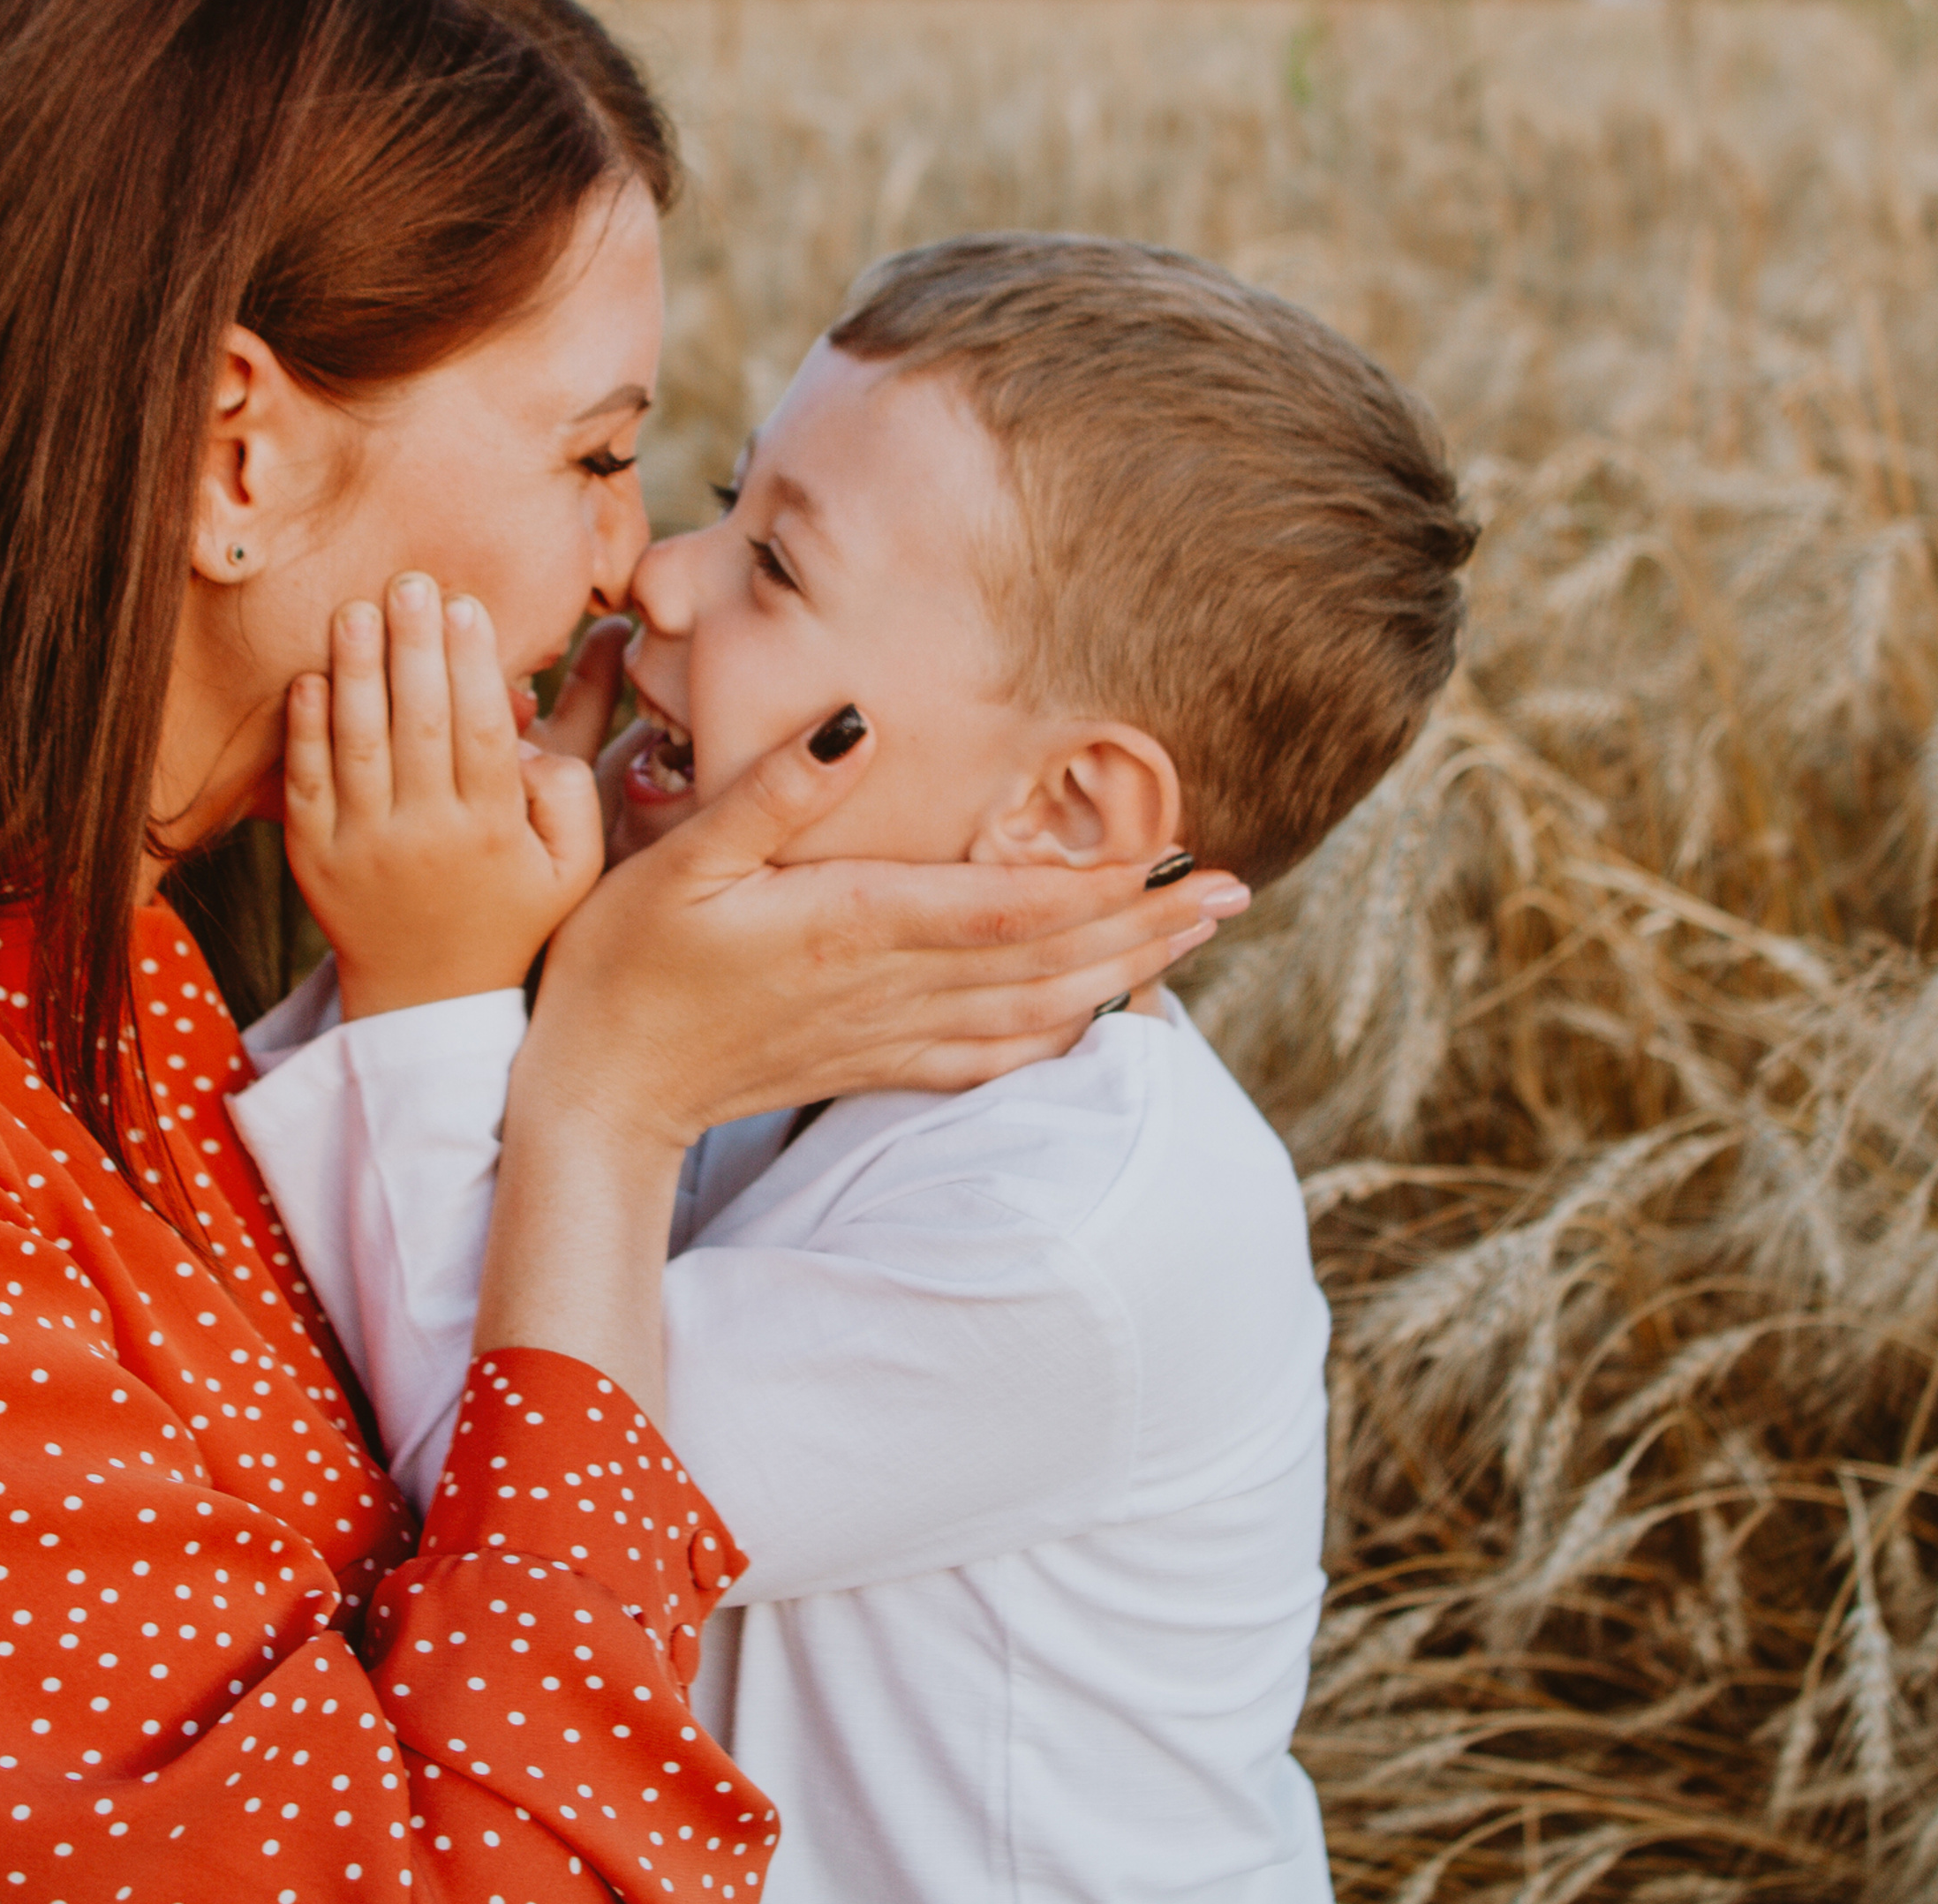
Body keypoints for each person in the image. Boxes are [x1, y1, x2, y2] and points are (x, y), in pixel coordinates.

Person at [0, 0, 1233, 1903]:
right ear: (240, 456)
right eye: (594, 454)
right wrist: (600, 1097)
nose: (628, 571)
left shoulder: (91, 945)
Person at [234, 233, 1478, 1901]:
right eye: (731, 503)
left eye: (782, 570)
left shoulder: (1067, 1242)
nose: (661, 581)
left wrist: (429, 979)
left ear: (1063, 814)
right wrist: (517, 939)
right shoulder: (776, 996)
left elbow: (509, 1489)